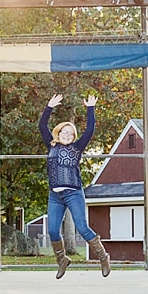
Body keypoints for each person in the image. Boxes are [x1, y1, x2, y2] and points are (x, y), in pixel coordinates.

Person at [39, 93, 110, 279]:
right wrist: (49, 107)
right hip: (55, 196)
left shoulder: (76, 148)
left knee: (82, 227)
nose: (68, 135)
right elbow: (42, 125)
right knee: (53, 230)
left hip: (73, 193)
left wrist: (90, 109)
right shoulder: (51, 145)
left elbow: (90, 130)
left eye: (71, 133)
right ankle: (62, 260)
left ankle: (103, 257)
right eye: (64, 132)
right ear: (58, 133)